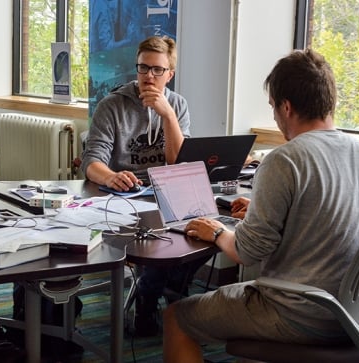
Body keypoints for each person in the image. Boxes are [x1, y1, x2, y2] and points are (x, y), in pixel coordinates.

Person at [162, 49, 359, 363]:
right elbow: (329, 216)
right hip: (356, 313)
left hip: (298, 312)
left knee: (176, 317)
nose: (276, 118)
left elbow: (247, 252)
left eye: (273, 108)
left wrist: (216, 232)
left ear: (287, 107)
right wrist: (261, 208)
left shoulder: (284, 159)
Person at [81, 35, 209, 337]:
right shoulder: (112, 106)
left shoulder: (177, 105)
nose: (148, 77)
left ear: (170, 74)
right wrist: (111, 175)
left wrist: (167, 115)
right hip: (124, 196)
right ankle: (148, 298)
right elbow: (91, 163)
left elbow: (178, 162)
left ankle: (170, 284)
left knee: (210, 230)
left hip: (167, 193)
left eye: (157, 70)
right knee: (159, 239)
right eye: (142, 68)